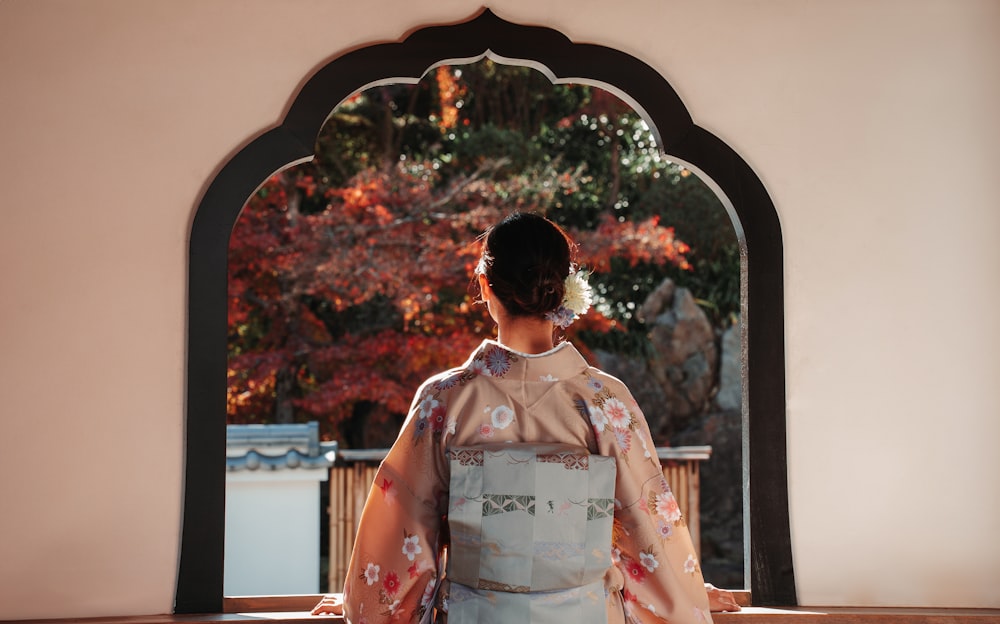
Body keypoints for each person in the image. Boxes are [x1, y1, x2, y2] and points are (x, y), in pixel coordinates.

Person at [312, 212, 739, 622]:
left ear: (485, 285)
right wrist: (687, 597)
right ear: (562, 290)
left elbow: (402, 528)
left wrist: (366, 601)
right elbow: (647, 527)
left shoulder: (443, 401)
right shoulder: (607, 403)